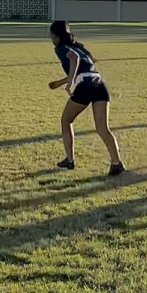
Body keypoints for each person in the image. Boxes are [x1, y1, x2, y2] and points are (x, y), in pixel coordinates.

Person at [48, 20, 124, 176]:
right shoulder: (80, 48)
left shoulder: (61, 48)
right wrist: (59, 83)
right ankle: (117, 164)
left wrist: (69, 84)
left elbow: (74, 60)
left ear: (56, 35)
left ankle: (70, 160)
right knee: (102, 128)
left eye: (51, 35)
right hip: (100, 85)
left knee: (66, 120)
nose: (51, 39)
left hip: (86, 86)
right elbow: (81, 70)